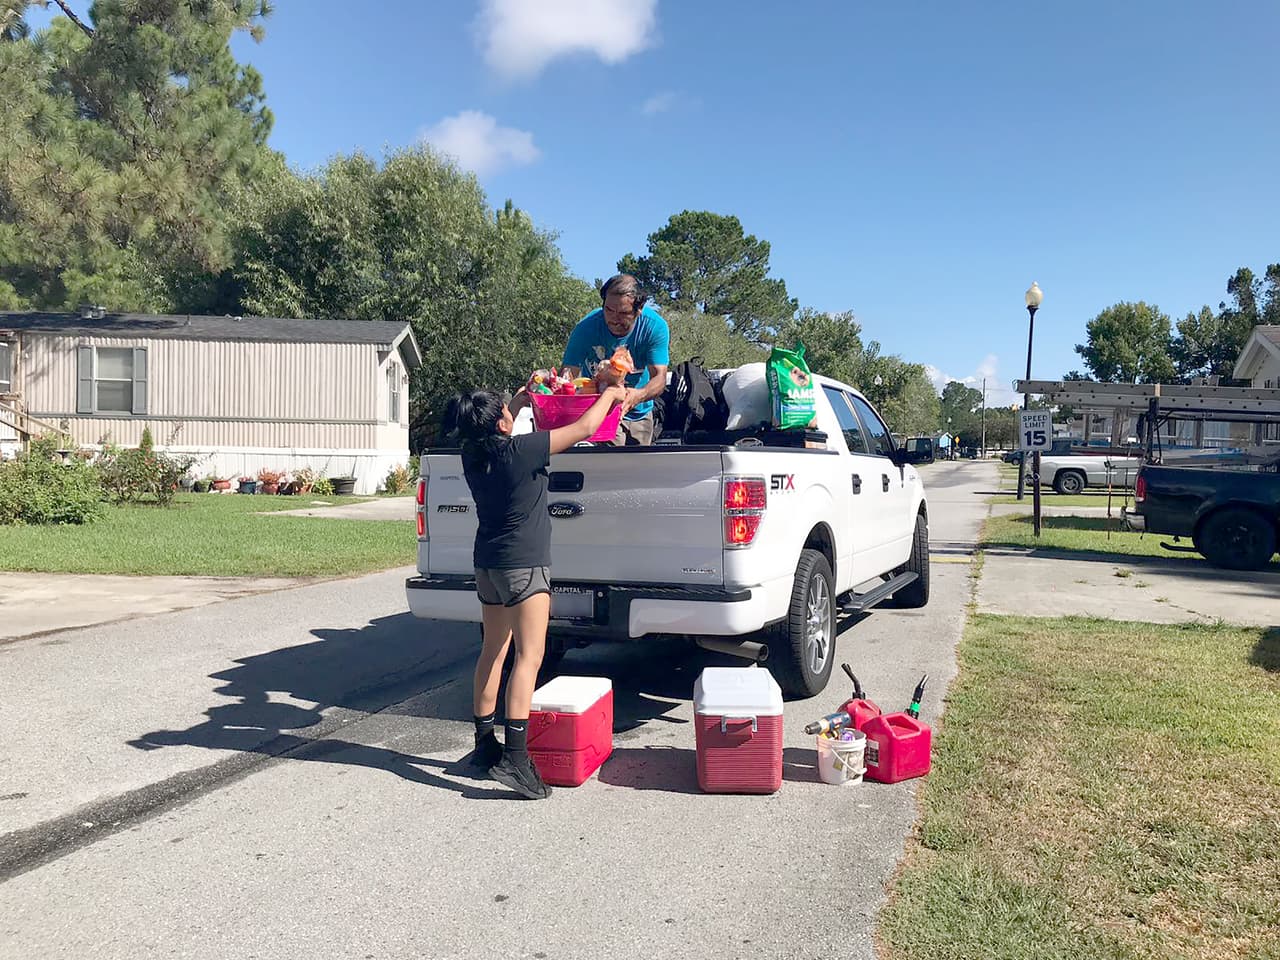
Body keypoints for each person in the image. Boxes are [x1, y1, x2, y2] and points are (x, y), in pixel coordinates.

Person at [444, 382, 626, 799]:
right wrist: (611, 395)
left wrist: (524, 398)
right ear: (503, 422)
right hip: (524, 566)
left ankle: (484, 745)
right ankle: (516, 759)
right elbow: (583, 427)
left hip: (487, 564)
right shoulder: (521, 450)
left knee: (493, 651)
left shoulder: (472, 453)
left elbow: (496, 418)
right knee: (529, 657)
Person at [562, 273, 670, 446]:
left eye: (623, 313)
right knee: (610, 467)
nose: (613, 318)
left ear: (639, 309)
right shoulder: (585, 328)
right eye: (609, 310)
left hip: (640, 412)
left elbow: (660, 377)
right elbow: (568, 375)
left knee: (638, 470)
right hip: (601, 411)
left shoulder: (654, 327)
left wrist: (638, 395)